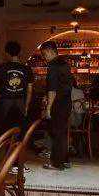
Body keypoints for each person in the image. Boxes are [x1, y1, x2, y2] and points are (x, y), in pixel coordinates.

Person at [41, 41, 75, 170]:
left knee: (56, 133)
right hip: (66, 102)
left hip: (57, 103)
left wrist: (49, 107)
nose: (44, 57)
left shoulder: (53, 66)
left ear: (50, 51)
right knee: (62, 132)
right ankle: (65, 160)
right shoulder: (65, 64)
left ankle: (57, 163)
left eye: (44, 54)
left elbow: (52, 89)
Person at [0, 41, 32, 131]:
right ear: (20, 52)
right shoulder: (27, 69)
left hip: (5, 103)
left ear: (7, 53)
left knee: (4, 130)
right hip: (21, 102)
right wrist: (26, 106)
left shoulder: (3, 67)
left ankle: (5, 140)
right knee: (20, 129)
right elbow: (30, 91)